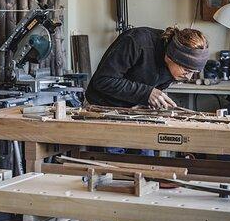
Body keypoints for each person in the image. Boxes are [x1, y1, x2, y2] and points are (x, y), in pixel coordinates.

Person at [85, 26, 209, 155]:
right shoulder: (137, 41)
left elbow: (155, 85)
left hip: (134, 113)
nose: (188, 77)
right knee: (112, 169)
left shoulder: (175, 66)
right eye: (187, 71)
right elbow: (103, 80)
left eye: (194, 73)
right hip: (104, 109)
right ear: (170, 57)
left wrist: (148, 102)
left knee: (146, 162)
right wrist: (146, 93)